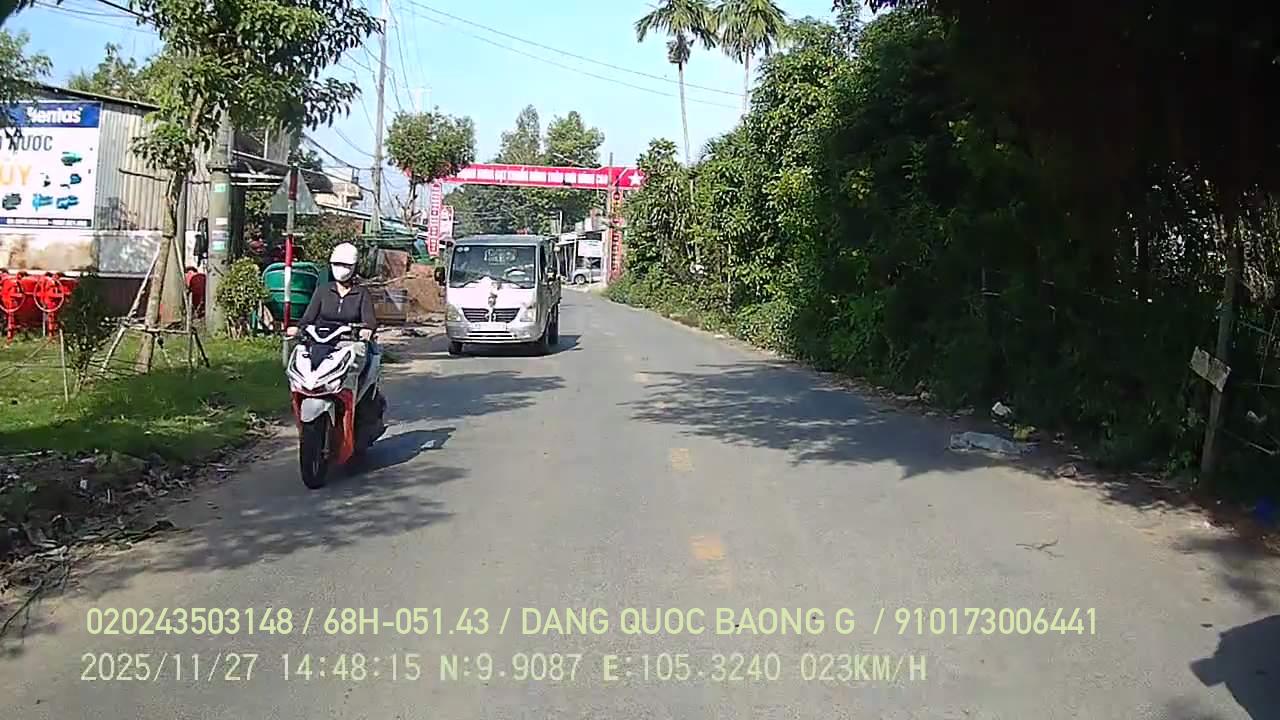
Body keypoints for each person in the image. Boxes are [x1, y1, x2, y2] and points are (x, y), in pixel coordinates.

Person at [288, 242, 377, 341]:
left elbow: (369, 321)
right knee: (301, 349)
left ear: (354, 267)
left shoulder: (362, 293)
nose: (341, 268)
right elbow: (308, 317)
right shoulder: (323, 290)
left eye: (346, 265)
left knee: (358, 349)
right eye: (337, 264)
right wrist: (298, 328)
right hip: (321, 338)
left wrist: (366, 330)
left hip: (348, 341)